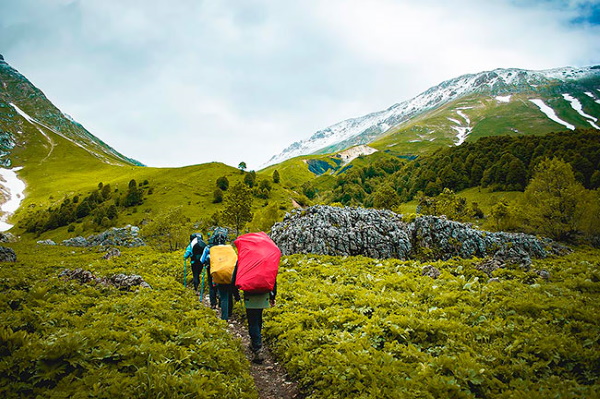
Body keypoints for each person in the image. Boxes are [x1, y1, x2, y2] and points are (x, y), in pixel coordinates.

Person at [200, 228, 235, 320]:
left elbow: (202, 260)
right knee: (229, 293)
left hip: (214, 271)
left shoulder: (209, 248)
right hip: (230, 272)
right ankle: (229, 312)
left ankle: (215, 305)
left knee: (214, 288)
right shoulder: (229, 248)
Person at [241, 285, 276, 364]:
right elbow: (272, 279)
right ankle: (255, 342)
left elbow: (234, 279)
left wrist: (236, 295)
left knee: (252, 321)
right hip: (263, 293)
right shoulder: (266, 271)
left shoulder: (245, 271)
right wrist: (273, 296)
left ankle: (257, 347)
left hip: (249, 294)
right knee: (258, 318)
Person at [183, 233, 217, 307]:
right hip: (201, 263)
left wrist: (185, 257)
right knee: (199, 272)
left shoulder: (192, 244)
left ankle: (196, 287)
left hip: (194, 262)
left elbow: (187, 254)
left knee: (195, 274)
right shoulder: (203, 243)